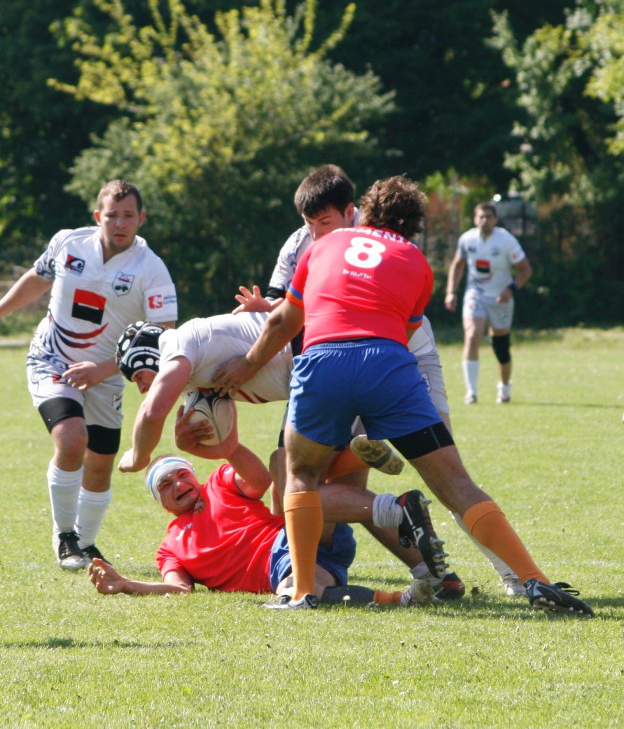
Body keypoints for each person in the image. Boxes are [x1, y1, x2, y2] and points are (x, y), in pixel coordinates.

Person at [213, 176, 592, 616]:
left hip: (324, 363)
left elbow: (283, 323)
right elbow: (404, 332)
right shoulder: (416, 261)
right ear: (413, 227)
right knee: (454, 481)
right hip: (389, 365)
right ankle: (534, 580)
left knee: (300, 476)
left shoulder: (323, 246)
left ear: (363, 210)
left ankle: (301, 593)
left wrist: (247, 365)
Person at [252, 165, 526, 597]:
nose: (315, 231)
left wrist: (247, 368)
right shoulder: (311, 242)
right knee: (326, 476)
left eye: (323, 222)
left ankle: (504, 573)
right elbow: (278, 306)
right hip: (370, 355)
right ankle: (441, 567)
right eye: (308, 223)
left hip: (386, 353)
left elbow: (290, 318)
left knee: (442, 476)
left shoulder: (350, 244)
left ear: (353, 211)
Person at [114, 316, 465, 602]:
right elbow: (228, 443)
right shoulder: (198, 373)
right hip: (335, 367)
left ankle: (390, 504)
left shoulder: (178, 350)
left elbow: (152, 411)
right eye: (164, 484)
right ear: (159, 502)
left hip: (319, 370)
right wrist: (194, 447)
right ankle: (430, 572)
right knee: (304, 484)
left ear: (147, 357)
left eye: (138, 378)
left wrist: (137, 455)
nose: (143, 388)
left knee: (290, 487)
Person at [0, 180, 177, 570]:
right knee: (71, 438)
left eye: (128, 216)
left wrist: (104, 369)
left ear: (141, 219)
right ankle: (65, 535)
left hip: (107, 375)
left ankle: (86, 542)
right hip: (52, 359)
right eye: (112, 215)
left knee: (100, 465)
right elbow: (36, 279)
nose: (120, 223)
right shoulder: (68, 243)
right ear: (98, 216)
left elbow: (162, 332)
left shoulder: (151, 268)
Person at [89, 418, 434, 607]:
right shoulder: (170, 547)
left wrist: (230, 449)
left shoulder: (218, 482)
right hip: (295, 564)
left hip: (291, 536)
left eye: (181, 475)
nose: (178, 485)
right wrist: (126, 584)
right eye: (165, 485)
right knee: (303, 592)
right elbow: (179, 590)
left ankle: (359, 451)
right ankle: (403, 596)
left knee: (281, 460)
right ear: (160, 503)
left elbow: (257, 479)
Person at [444, 202, 532, 404]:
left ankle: (504, 387)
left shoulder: (506, 241)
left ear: (495, 219)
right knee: (473, 335)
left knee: (500, 346)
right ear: (475, 219)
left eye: (489, 217)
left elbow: (525, 269)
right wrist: (451, 292)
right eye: (481, 217)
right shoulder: (467, 239)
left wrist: (510, 289)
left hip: (500, 299)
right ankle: (471, 391)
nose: (485, 221)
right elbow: (457, 265)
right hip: (475, 295)